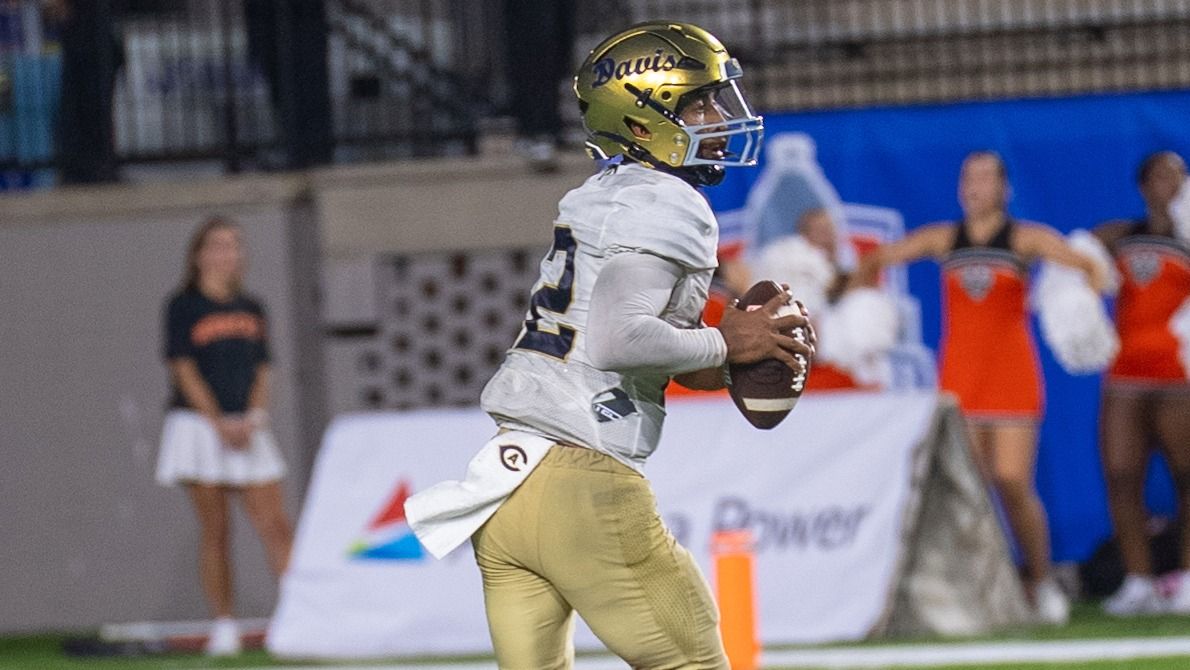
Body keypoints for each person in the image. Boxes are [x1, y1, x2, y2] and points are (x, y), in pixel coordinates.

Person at [406, 22, 813, 669]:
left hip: (506, 484)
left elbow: (632, 346)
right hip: (583, 482)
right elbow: (620, 338)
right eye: (699, 105)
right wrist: (726, 341)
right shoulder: (670, 202)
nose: (719, 118)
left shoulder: (595, 197)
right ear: (642, 124)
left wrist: (728, 358)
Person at [854, 151, 1108, 624]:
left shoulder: (1025, 238)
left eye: (986, 177)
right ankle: (984, 590)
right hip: (960, 380)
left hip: (1012, 377)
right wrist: (863, 314)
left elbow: (1089, 267)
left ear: (1004, 189)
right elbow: (876, 260)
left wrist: (1079, 309)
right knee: (971, 490)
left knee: (1012, 480)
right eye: (968, 177)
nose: (974, 185)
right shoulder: (943, 238)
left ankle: (1042, 581)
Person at [156, 216, 293, 656]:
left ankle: (299, 615)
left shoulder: (252, 307)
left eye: (234, 245)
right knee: (216, 529)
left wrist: (253, 416)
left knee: (276, 525)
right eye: (218, 245)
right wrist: (217, 422)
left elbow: (263, 368)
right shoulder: (183, 306)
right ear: (198, 255)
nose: (227, 253)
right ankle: (225, 624)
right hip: (199, 429)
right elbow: (183, 368)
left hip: (248, 426)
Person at [1093, 150, 1190, 616]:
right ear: (1144, 186)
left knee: (1186, 478)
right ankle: (1138, 582)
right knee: (1121, 475)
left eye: (1179, 176)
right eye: (1160, 176)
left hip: (1180, 379)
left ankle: (1187, 579)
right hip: (1126, 378)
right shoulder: (1121, 235)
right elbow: (1078, 250)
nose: (1171, 184)